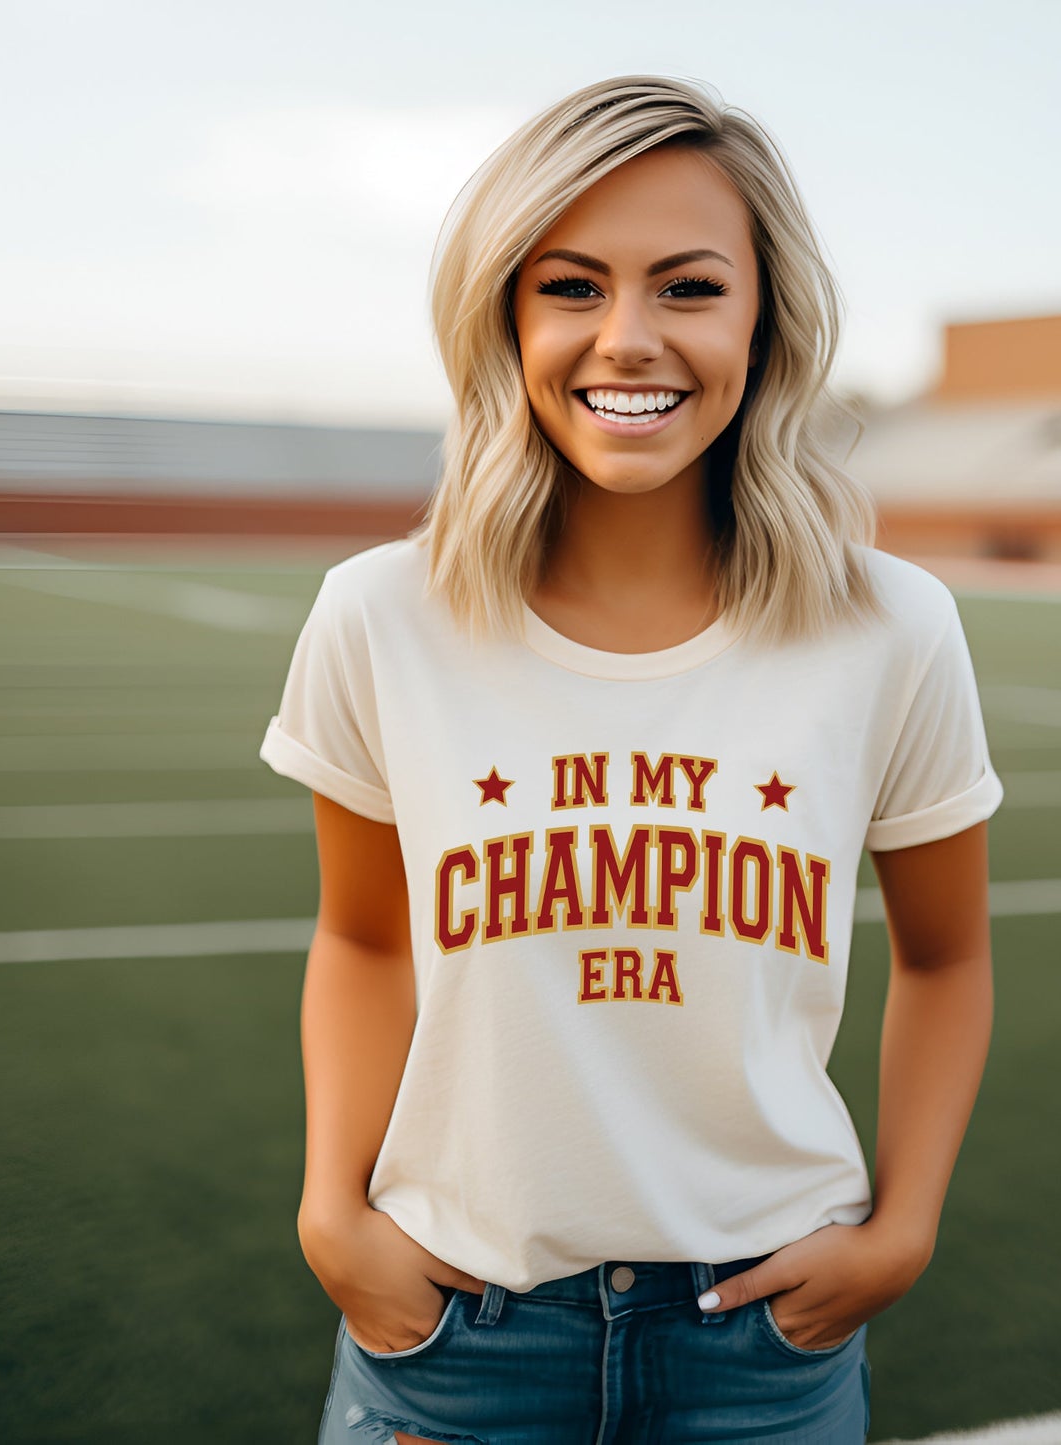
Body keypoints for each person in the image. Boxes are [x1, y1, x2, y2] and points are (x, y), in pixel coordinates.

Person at [260, 74, 1003, 1445]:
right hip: (458, 1338)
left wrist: (901, 1229)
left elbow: (946, 958)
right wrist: (330, 1211)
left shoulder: (893, 627)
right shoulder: (379, 613)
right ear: (503, 312)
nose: (628, 339)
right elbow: (364, 940)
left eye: (687, 287)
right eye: (571, 286)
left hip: (758, 1350)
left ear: (764, 316)